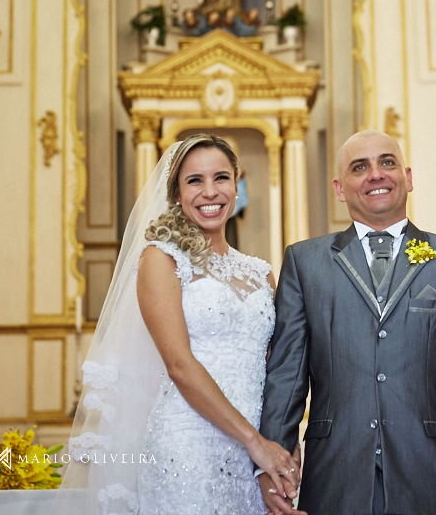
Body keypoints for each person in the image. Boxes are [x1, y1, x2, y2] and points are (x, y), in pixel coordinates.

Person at [258, 130, 436, 515]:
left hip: (428, 472)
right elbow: (286, 376)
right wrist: (270, 463)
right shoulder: (305, 263)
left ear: (408, 177)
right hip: (334, 472)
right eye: (360, 167)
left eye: (387, 162)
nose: (376, 174)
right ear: (340, 188)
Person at [53, 134, 298, 515]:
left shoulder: (261, 273)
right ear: (177, 193)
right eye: (194, 180)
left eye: (221, 177)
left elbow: (278, 372)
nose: (210, 191)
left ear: (237, 185)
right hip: (188, 447)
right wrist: (255, 442)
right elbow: (180, 365)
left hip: (255, 457)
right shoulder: (161, 260)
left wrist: (280, 452)